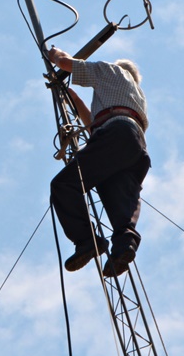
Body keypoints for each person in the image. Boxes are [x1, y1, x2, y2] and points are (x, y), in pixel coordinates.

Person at [46, 46, 151, 278]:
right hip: (133, 147)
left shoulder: (111, 71)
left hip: (116, 135)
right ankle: (125, 247)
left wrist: (52, 53)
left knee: (64, 185)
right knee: (121, 207)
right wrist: (71, 97)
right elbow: (94, 124)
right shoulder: (135, 96)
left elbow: (65, 63)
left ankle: (86, 241)